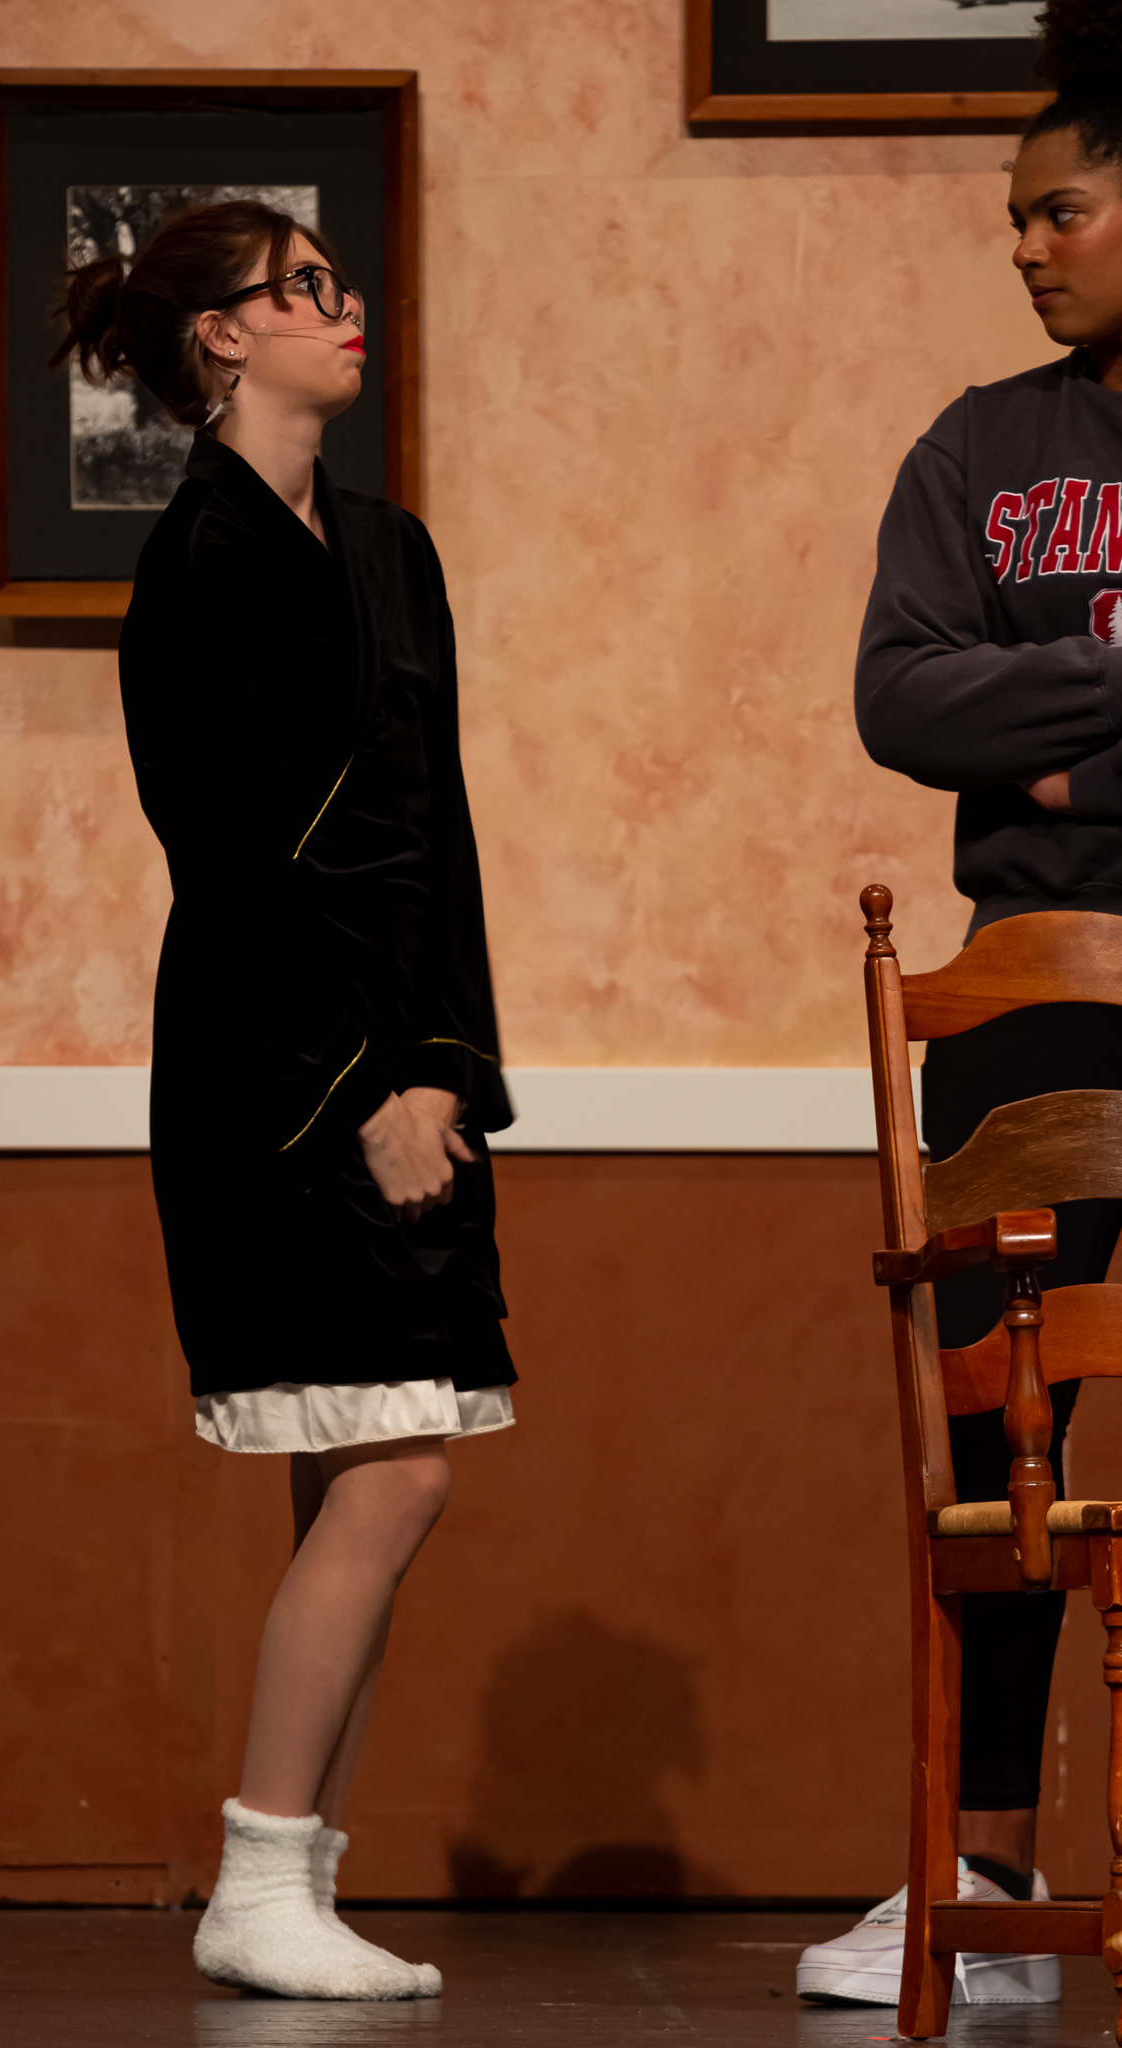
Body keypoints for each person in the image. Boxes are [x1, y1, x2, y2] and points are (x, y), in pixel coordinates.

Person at [51, 200, 516, 2000]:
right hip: (277, 1076)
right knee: (397, 1471)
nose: (344, 306)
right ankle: (258, 1879)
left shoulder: (393, 549)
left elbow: (437, 832)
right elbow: (237, 866)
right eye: (302, 288)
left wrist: (447, 1068)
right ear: (222, 340)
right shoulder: (198, 564)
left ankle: (298, 1884)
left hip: (408, 1069)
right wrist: (364, 1085)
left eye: (339, 280)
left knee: (364, 1475)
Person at [799, 0, 1122, 2008]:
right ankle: (986, 1881)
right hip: (1031, 1000)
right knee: (1007, 1447)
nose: (1023, 245)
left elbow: (985, 715)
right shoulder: (982, 447)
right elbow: (902, 696)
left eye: (1059, 209)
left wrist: (1061, 750)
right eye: (1016, 217)